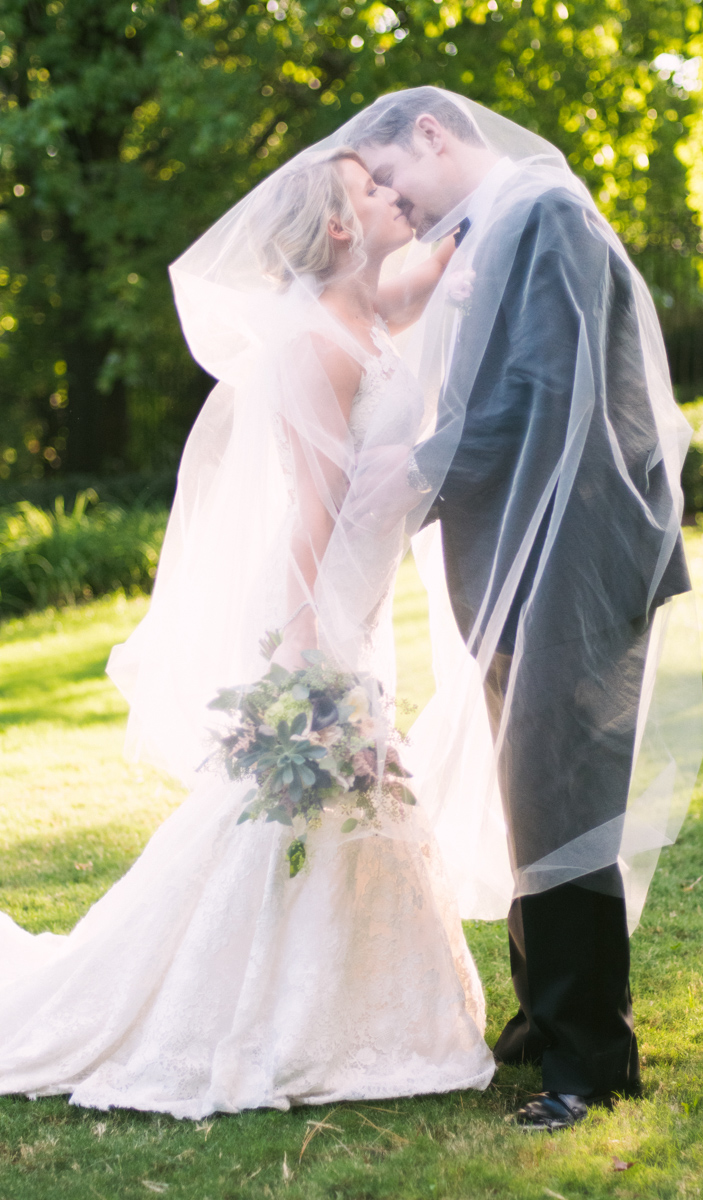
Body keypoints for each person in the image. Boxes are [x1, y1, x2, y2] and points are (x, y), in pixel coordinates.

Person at [0, 146, 496, 1118]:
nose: (395, 197)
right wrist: (306, 654)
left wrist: (473, 204)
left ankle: (350, 1003)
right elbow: (311, 513)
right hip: (318, 611)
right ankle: (261, 1009)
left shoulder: (364, 314)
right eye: (372, 190)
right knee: (285, 807)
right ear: (342, 227)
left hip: (350, 604)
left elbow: (425, 278)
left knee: (317, 808)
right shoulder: (319, 339)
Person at [338, 88, 703, 1131]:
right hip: (530, 554)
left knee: (562, 792)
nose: (392, 206)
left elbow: (540, 391)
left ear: (432, 134)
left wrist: (405, 480)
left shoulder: (538, 213)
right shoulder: (492, 226)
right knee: (527, 787)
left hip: (576, 552)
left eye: (391, 180)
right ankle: (546, 1022)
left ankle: (589, 1057)